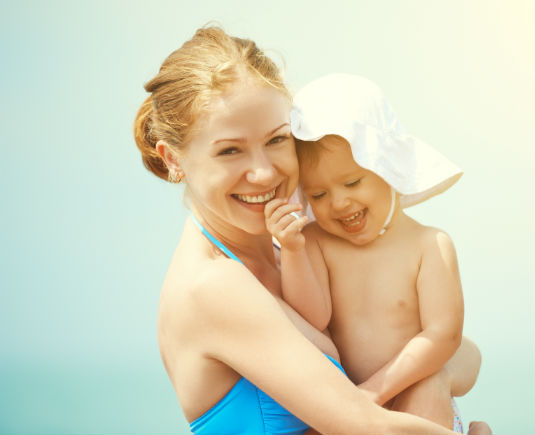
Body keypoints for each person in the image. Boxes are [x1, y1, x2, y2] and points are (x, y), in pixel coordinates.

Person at [133, 26, 481, 435]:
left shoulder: (296, 253)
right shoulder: (211, 286)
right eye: (230, 150)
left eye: (277, 140)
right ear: (172, 159)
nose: (263, 172)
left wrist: (434, 379)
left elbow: (456, 347)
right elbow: (366, 424)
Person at [264, 74, 492, 434]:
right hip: (354, 404)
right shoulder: (317, 241)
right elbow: (313, 316)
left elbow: (442, 335)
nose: (339, 202)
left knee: (424, 403)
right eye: (318, 195)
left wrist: (375, 391)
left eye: (353, 182)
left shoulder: (429, 245)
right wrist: (293, 251)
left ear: (388, 168)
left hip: (409, 396)